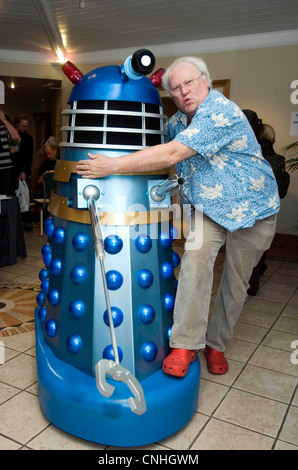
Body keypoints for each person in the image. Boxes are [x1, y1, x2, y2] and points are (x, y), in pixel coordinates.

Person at [76, 56, 280, 377]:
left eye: (189, 82)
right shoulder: (179, 121)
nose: (183, 91)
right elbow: (149, 135)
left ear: (206, 81)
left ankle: (216, 344)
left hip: (254, 212)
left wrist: (110, 166)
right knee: (195, 260)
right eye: (175, 88)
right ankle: (185, 344)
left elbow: (172, 153)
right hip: (210, 210)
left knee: (235, 283)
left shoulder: (219, 112)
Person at [243, 110, 290, 295]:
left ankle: (251, 279)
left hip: (245, 208)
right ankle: (253, 282)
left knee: (246, 250)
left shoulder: (246, 154)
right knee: (258, 247)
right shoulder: (276, 160)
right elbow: (281, 192)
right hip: (265, 209)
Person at [12, 114, 34, 231]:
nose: (25, 128)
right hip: (11, 169)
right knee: (14, 194)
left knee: (23, 195)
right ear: (17, 125)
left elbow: (28, 157)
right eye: (23, 126)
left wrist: (24, 171)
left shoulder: (28, 139)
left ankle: (27, 220)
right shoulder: (11, 137)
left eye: (26, 126)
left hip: (22, 170)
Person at [0, 111, 20, 195]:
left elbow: (16, 137)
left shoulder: (3, 129)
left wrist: (3, 119)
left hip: (5, 168)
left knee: (4, 195)